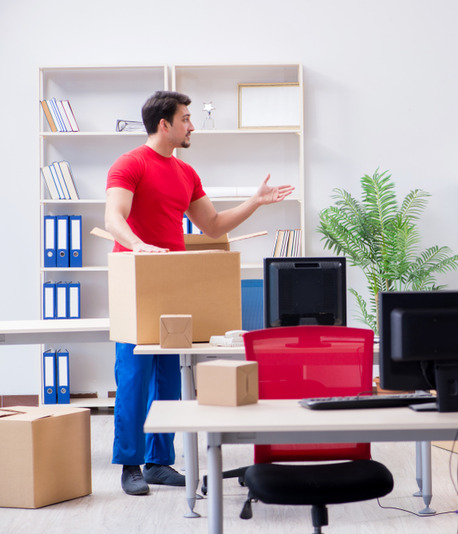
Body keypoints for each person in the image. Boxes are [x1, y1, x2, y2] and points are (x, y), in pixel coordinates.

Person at [105, 91, 294, 495]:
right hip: (136, 280)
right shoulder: (130, 164)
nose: (192, 126)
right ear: (164, 125)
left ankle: (159, 462)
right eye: (186, 118)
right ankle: (130, 464)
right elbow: (113, 215)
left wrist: (255, 202)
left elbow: (212, 225)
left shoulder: (186, 173)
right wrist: (136, 244)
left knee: (169, 375)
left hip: (174, 279)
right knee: (134, 376)